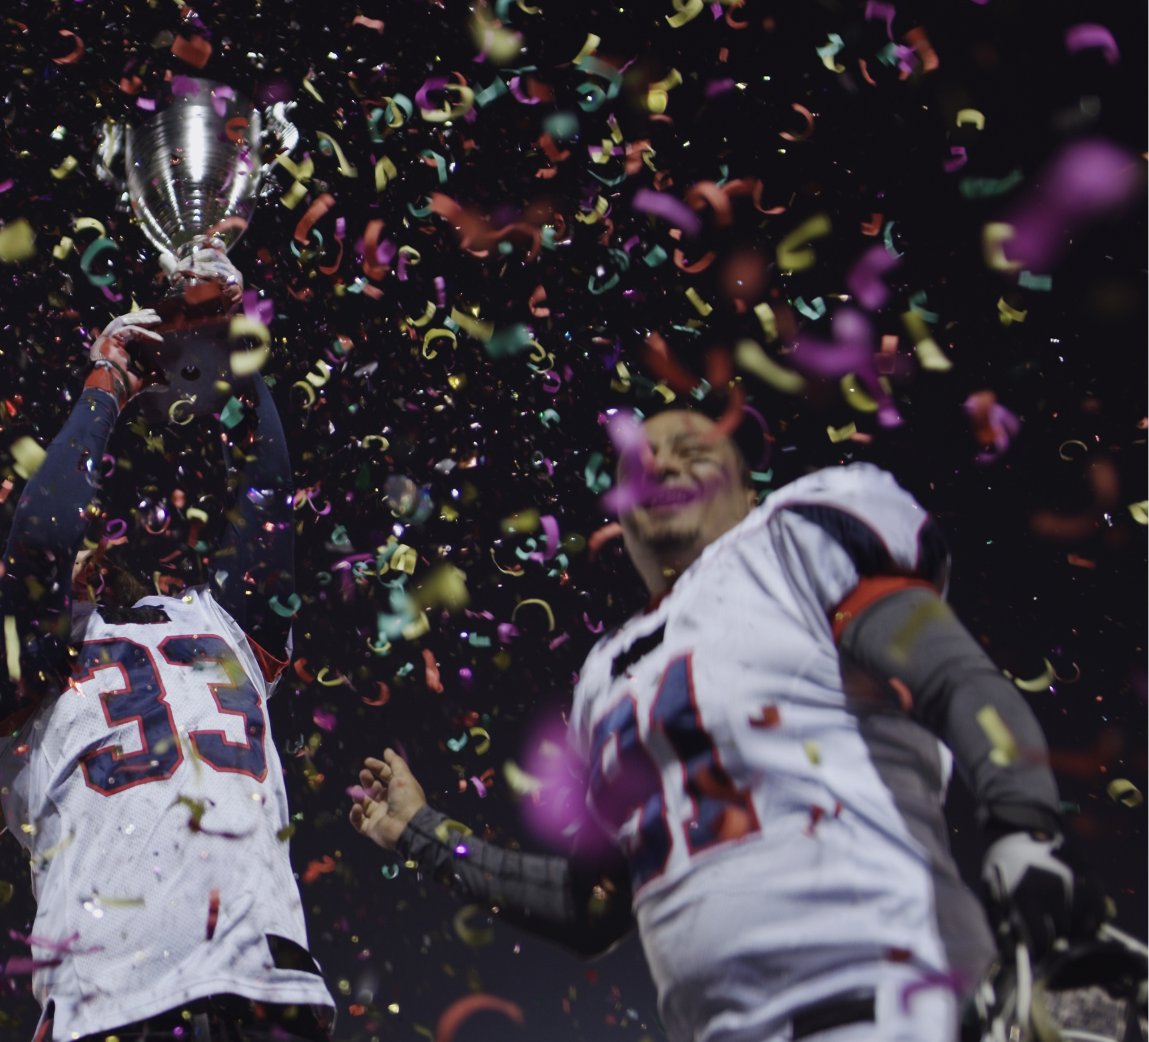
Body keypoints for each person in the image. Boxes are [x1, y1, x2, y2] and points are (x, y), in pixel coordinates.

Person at [347, 407, 1110, 1042]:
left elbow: (953, 674)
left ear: (749, 492)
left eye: (694, 449)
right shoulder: (605, 677)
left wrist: (1021, 828)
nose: (666, 464)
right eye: (643, 460)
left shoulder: (788, 548)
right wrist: (419, 829)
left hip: (896, 1003)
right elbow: (592, 907)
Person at [0, 279, 336, 1042]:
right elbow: (44, 538)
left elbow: (270, 491)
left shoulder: (215, 622)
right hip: (114, 998)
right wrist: (104, 383)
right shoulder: (1, 641)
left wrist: (228, 354)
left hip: (268, 988)